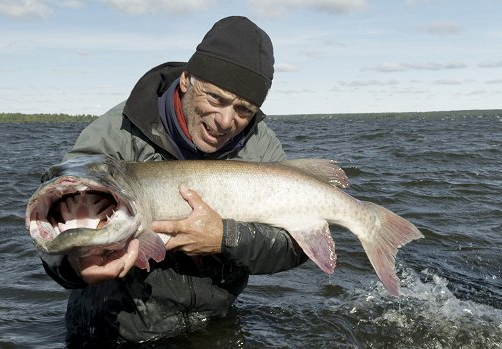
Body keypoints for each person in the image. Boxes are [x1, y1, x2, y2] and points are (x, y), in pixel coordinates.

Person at [41, 16, 308, 345]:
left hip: (213, 325)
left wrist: (227, 237)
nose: (225, 120)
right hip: (113, 329)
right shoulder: (118, 134)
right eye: (215, 98)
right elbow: (57, 207)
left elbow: (294, 247)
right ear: (186, 80)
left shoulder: (262, 147)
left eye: (243, 109)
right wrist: (73, 260)